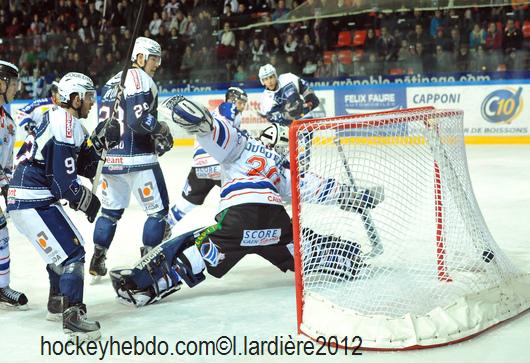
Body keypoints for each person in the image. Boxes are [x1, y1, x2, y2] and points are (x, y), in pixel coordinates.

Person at [109, 96, 384, 307]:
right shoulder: (280, 165)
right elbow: (315, 187)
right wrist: (354, 196)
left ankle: (145, 287)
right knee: (301, 246)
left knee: (193, 248)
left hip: (238, 220)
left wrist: (196, 118)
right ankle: (347, 256)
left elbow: (211, 129)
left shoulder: (242, 143)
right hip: (274, 223)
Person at [7, 72, 120, 340]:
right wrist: (86, 201)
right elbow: (62, 182)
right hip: (32, 198)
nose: (92, 103)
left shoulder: (70, 124)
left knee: (59, 253)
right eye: (89, 97)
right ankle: (73, 316)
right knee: (73, 253)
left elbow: (84, 167)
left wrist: (99, 144)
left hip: (27, 198)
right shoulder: (64, 123)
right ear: (75, 98)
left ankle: (57, 302)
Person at [90, 37, 173, 279]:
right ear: (139, 58)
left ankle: (98, 256)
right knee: (157, 212)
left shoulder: (111, 81)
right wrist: (161, 129)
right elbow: (138, 120)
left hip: (110, 160)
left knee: (109, 212)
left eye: (158, 59)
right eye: (153, 58)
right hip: (138, 159)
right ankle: (149, 263)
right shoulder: (140, 79)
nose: (157, 64)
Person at [167, 87, 248, 227]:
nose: (242, 106)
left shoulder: (212, 115)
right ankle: (226, 227)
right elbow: (232, 137)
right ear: (232, 99)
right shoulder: (228, 107)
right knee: (238, 197)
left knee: (185, 203)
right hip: (219, 162)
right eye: (240, 102)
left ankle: (165, 227)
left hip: (200, 165)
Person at [0, 60, 28, 309]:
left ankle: (1, 287)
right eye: (13, 83)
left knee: (1, 235)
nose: (16, 88)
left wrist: (7, 185)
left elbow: (6, 167)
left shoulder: (8, 123)